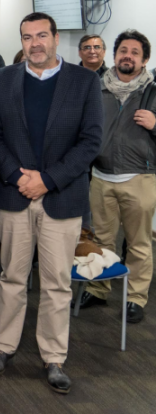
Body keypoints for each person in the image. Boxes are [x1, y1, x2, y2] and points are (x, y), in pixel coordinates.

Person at [0, 12, 103, 395]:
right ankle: (3, 347)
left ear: (55, 39)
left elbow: (90, 142)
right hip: (14, 194)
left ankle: (53, 358)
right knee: (12, 278)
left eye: (42, 36)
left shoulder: (84, 82)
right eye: (27, 37)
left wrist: (47, 180)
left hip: (61, 197)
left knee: (56, 283)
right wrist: (18, 176)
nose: (35, 43)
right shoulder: (3, 80)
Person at [78, 30, 156, 323]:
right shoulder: (97, 89)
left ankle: (135, 298)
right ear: (115, 55)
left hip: (141, 177)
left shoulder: (153, 90)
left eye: (135, 52)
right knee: (101, 240)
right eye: (123, 50)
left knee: (138, 243)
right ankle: (98, 289)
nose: (128, 56)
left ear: (144, 59)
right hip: (100, 177)